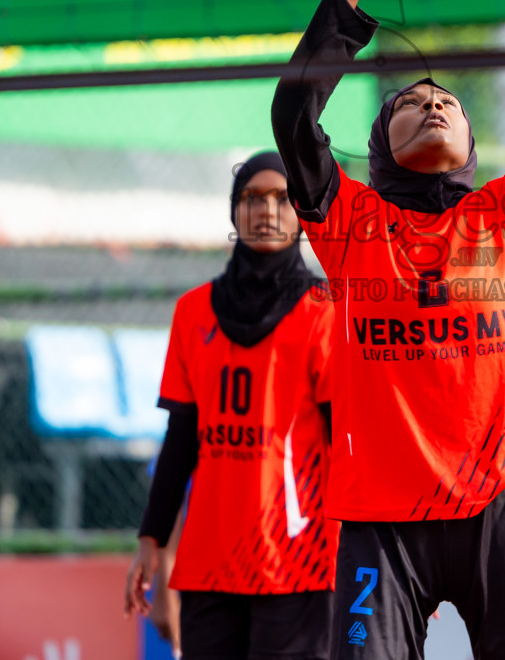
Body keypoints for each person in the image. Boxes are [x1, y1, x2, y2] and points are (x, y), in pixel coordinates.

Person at [272, 0, 505, 659]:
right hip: (381, 516)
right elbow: (293, 117)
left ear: (470, 148)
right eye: (409, 104)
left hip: (497, 495)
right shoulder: (352, 222)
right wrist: (344, 0)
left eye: (445, 99)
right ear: (381, 152)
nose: (432, 101)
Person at [124, 152, 337, 660]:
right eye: (252, 198)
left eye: (284, 199)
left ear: (303, 213)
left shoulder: (324, 309)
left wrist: (387, 544)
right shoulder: (192, 311)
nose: (267, 210)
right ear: (234, 212)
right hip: (210, 565)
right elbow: (181, 439)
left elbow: (346, 438)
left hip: (300, 562)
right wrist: (151, 539)